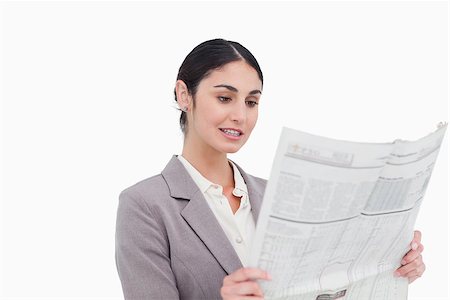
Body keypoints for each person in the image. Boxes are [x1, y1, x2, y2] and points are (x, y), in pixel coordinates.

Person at [115, 38, 425, 300]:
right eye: (225, 98)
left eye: (251, 102)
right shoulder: (145, 205)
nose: (240, 115)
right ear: (185, 95)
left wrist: (390, 265)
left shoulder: (279, 196)